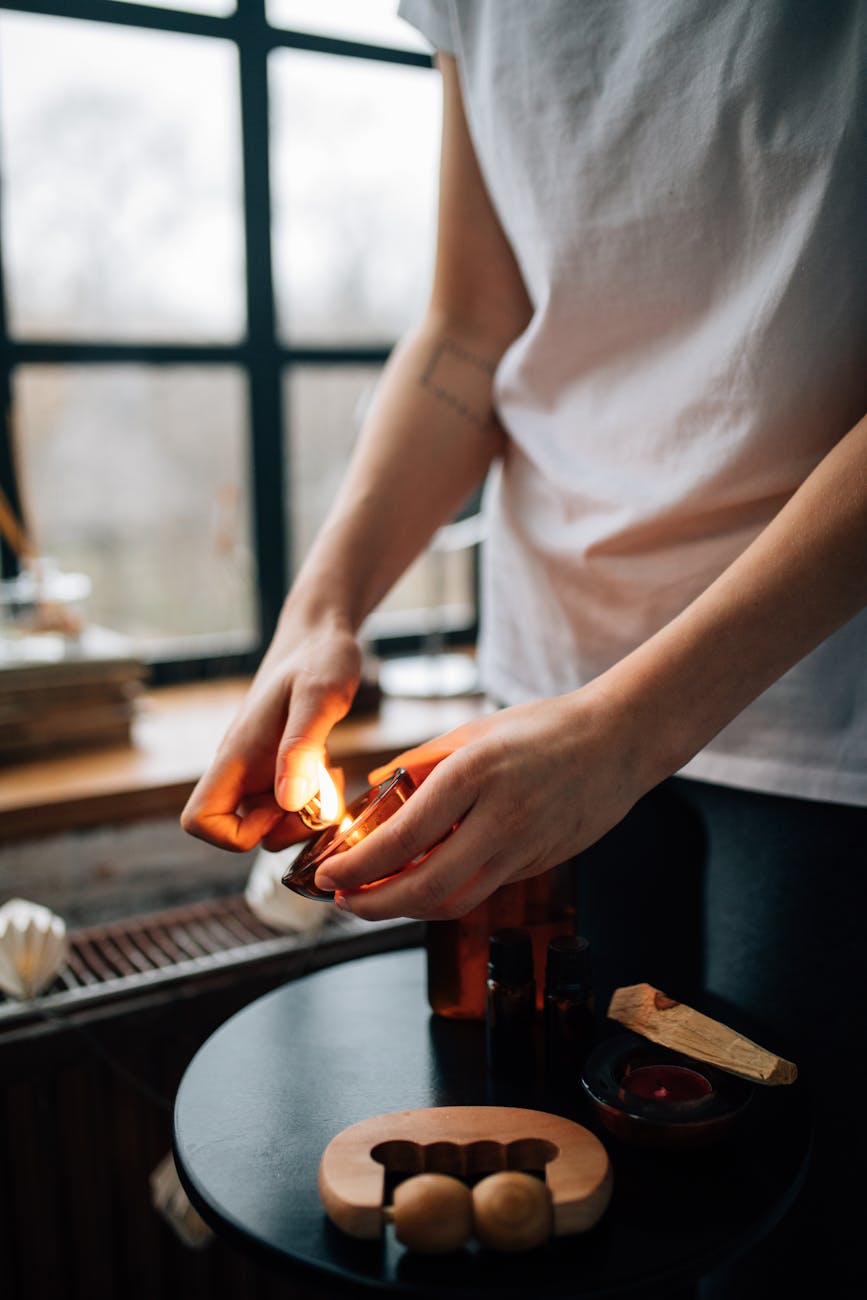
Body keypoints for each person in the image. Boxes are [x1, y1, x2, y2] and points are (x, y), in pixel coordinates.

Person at [182, 3, 866, 1292]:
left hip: (827, 701)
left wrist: (624, 727)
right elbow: (467, 333)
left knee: (792, 1230)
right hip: (544, 682)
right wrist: (318, 611)